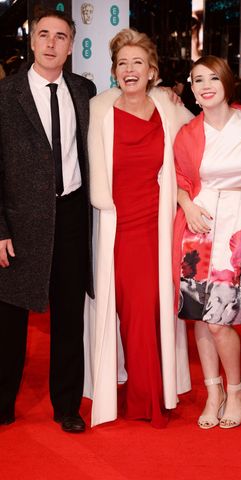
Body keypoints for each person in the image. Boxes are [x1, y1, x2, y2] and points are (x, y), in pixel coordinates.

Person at [84, 28, 192, 428]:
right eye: (122, 63)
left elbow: (202, 138)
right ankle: (145, 397)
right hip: (120, 226)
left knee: (155, 308)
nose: (130, 70)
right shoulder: (99, 108)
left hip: (159, 225)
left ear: (152, 71)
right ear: (114, 71)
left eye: (138, 63)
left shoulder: (168, 106)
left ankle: (153, 391)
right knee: (134, 311)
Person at [0, 10, 96, 433]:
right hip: (20, 223)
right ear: (32, 41)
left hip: (73, 215)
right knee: (9, 320)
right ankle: (2, 403)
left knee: (69, 317)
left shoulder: (85, 90)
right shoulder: (6, 94)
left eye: (61, 36)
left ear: (71, 46)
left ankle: (67, 406)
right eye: (44, 35)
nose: (52, 43)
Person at [173, 55, 241, 430]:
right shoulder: (187, 132)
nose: (206, 85)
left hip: (240, 224)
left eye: (214, 77)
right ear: (193, 89)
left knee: (220, 319)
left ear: (227, 82)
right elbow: (179, 179)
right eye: (198, 80)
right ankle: (212, 392)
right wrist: (186, 205)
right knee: (200, 315)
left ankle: (236, 389)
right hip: (199, 223)